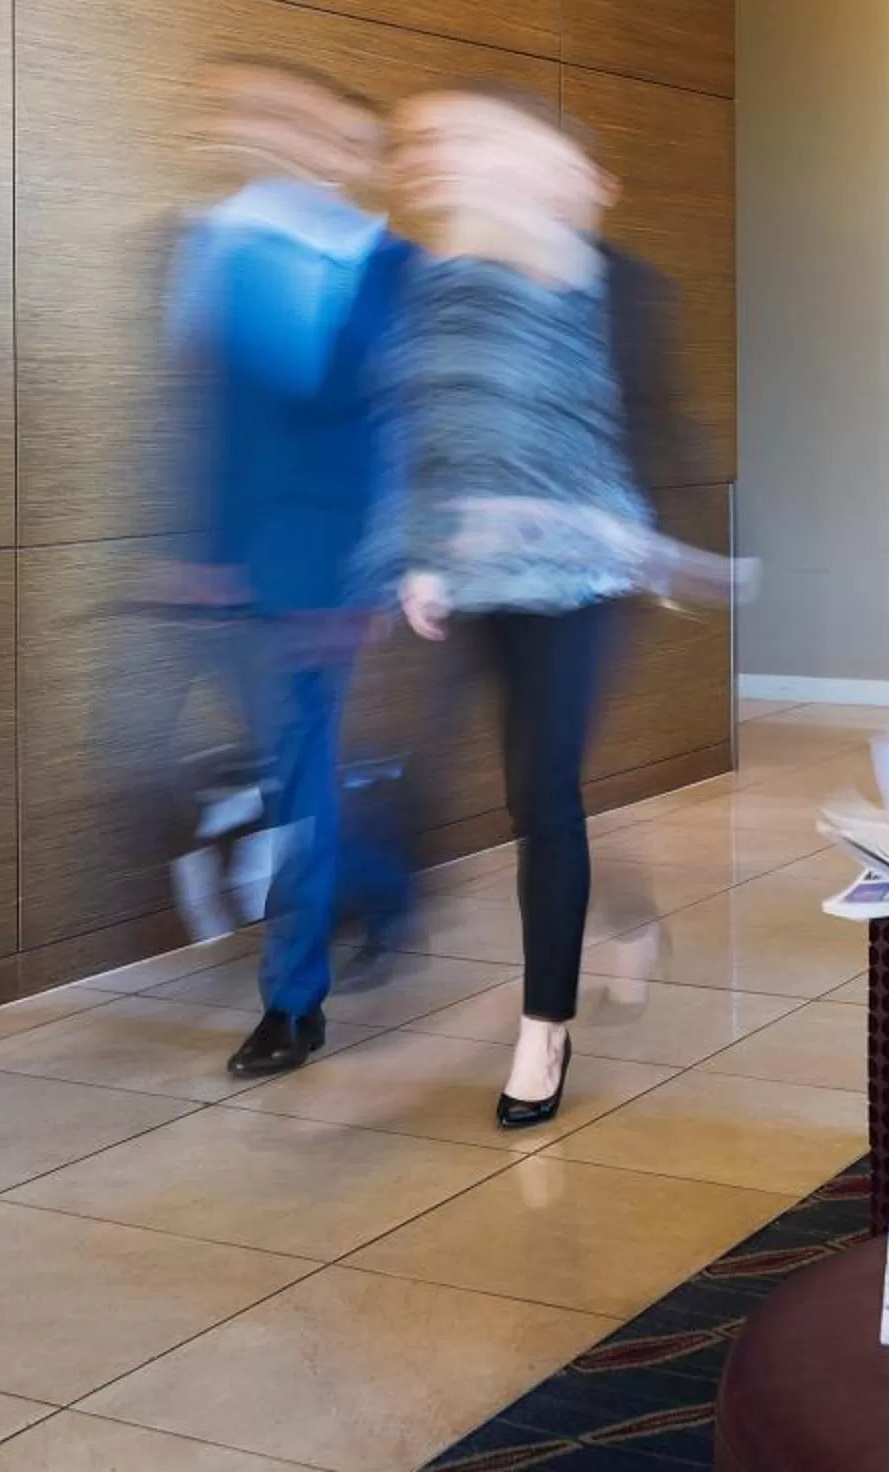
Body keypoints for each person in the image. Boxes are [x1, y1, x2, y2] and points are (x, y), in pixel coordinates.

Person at [367, 84, 660, 1127]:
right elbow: (418, 424)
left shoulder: (594, 281)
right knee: (479, 780)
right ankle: (621, 907)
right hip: (469, 579)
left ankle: (545, 1029)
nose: (432, 160)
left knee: (541, 793)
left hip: (575, 580)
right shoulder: (436, 281)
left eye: (458, 141)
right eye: (424, 145)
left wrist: (602, 533)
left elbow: (608, 438)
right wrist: (418, 553)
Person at [166, 59, 417, 1080]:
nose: (281, 138)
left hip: (329, 569)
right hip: (226, 564)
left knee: (299, 774)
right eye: (255, 114)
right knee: (263, 774)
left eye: (316, 128)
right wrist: (197, 554)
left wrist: (386, 569)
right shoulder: (214, 247)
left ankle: (293, 1001)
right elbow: (200, 415)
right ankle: (380, 880)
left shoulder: (391, 264)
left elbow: (400, 425)